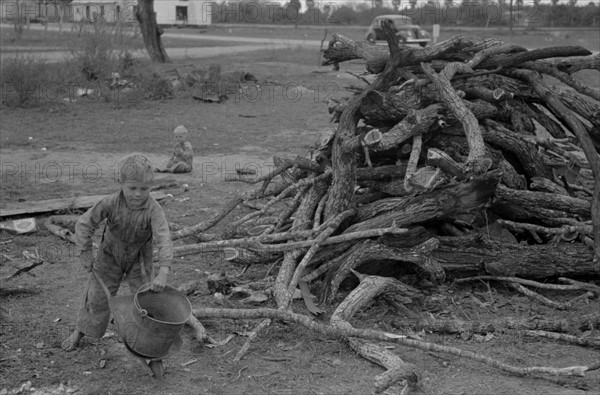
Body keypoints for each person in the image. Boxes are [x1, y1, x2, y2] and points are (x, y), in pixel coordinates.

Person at [62, 153, 173, 352]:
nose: (138, 194)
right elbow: (84, 224)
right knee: (96, 296)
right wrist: (85, 251)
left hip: (139, 259)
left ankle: (143, 338)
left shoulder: (154, 210)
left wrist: (164, 270)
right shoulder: (110, 203)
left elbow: (164, 237)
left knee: (145, 299)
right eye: (132, 188)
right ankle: (81, 330)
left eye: (144, 189)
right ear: (121, 183)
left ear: (151, 187)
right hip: (109, 256)